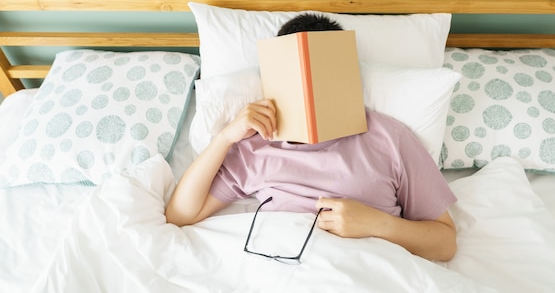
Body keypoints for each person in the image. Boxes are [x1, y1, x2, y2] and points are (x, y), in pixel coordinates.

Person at [165, 14, 458, 262]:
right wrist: (225, 138)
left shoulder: (390, 137)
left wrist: (377, 224)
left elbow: (445, 243)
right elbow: (180, 215)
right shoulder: (255, 145)